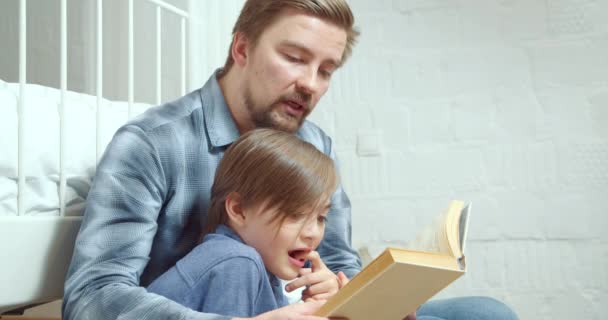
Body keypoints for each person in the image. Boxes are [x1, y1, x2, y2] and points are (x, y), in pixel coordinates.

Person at [63, 1, 519, 320]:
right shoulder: (152, 144)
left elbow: (338, 256)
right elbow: (91, 298)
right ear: (241, 49)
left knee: (487, 313)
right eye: (294, 58)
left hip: (296, 306)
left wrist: (345, 289)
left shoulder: (315, 144)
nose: (311, 85)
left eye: (326, 70)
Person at [147, 128, 348, 317]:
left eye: (321, 218)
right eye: (295, 214)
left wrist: (327, 304)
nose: (313, 233)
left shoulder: (258, 268)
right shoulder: (236, 261)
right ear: (238, 209)